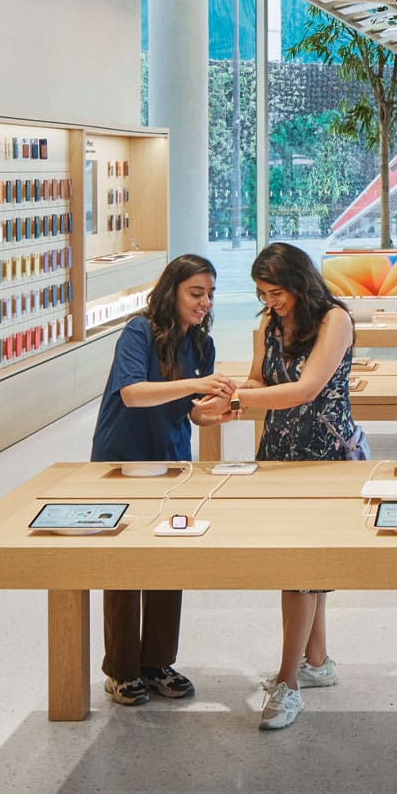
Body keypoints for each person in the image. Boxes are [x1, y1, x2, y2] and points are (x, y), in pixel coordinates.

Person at [89, 254, 239, 706]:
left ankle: (155, 663)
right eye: (196, 293)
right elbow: (133, 394)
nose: (204, 302)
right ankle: (120, 669)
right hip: (123, 461)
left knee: (168, 558)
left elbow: (191, 414)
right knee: (123, 564)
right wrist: (195, 386)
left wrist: (215, 412)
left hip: (173, 463)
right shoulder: (139, 332)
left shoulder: (201, 345)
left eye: (210, 294)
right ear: (171, 290)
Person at [237, 243, 363, 732]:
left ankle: (288, 683)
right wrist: (228, 400)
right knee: (304, 569)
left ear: (300, 283)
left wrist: (245, 397)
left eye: (278, 292)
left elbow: (307, 388)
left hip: (323, 458)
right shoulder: (267, 325)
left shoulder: (334, 321)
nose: (272, 303)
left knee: (300, 570)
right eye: (263, 294)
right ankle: (317, 662)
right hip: (278, 454)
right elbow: (257, 379)